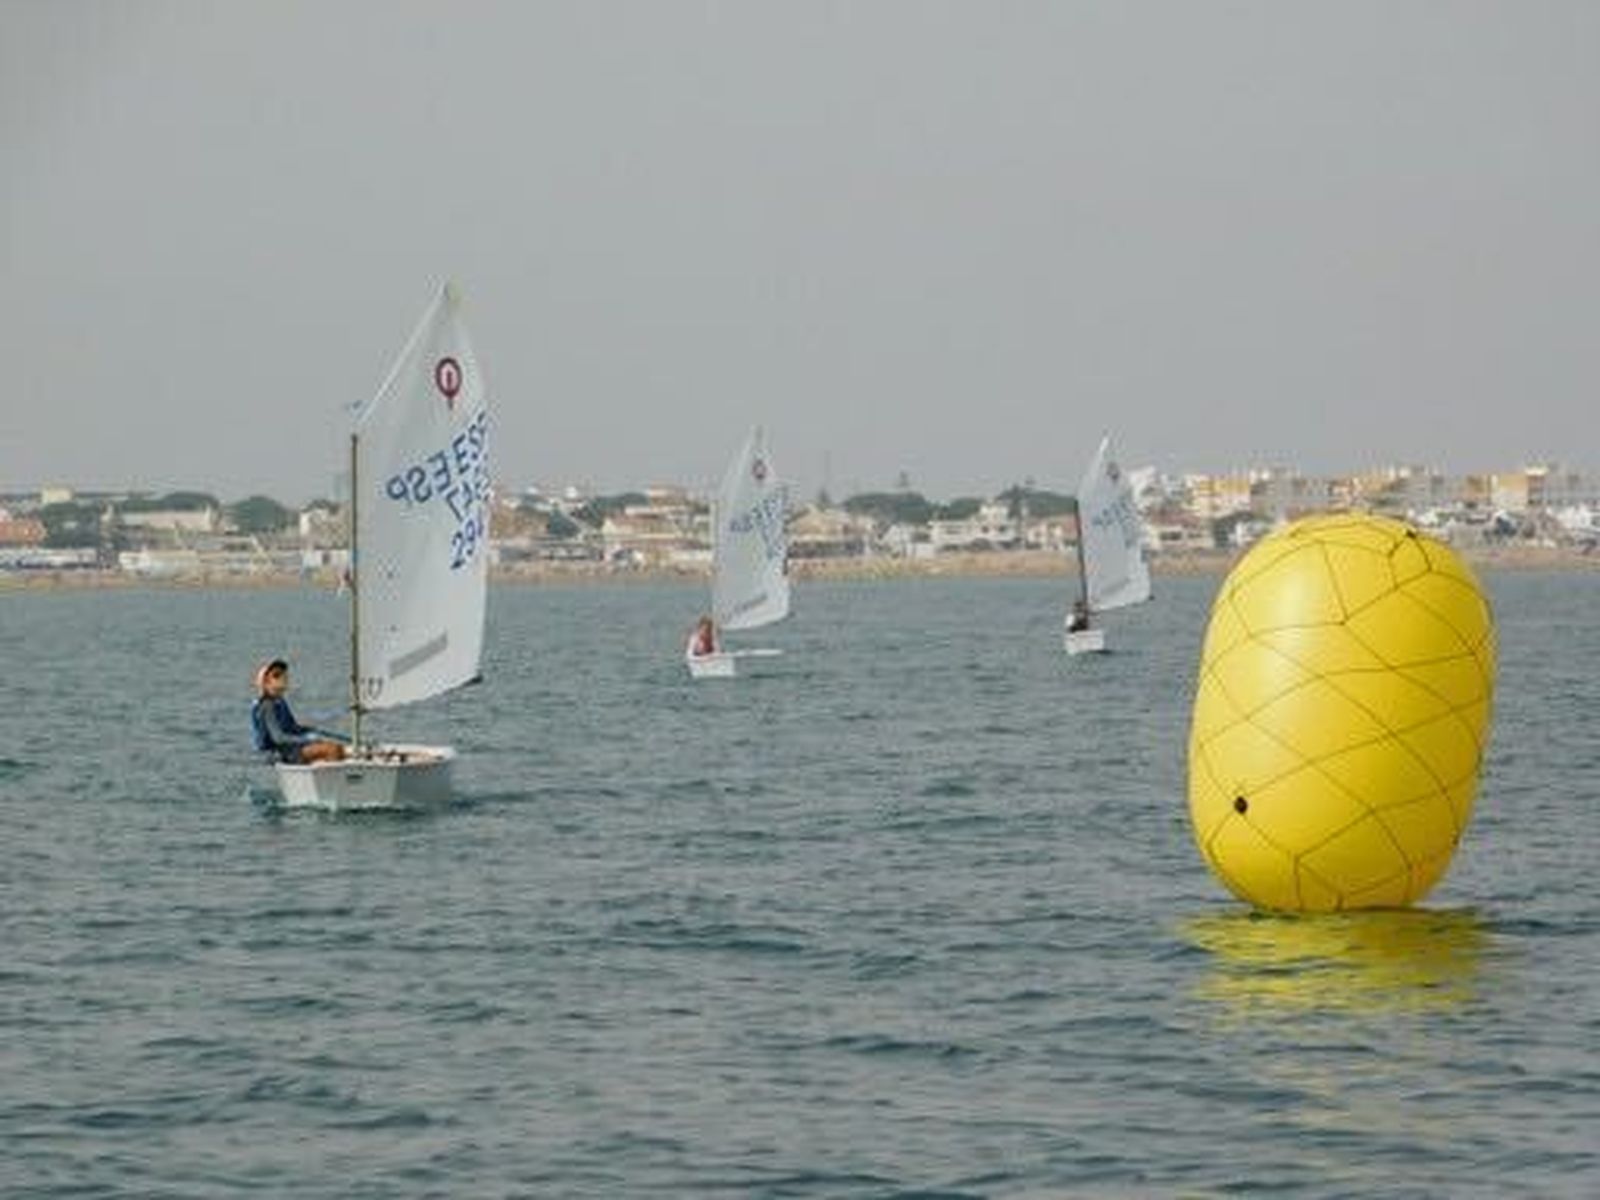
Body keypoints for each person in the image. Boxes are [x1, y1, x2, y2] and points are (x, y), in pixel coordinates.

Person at [250, 659, 347, 764]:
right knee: (332, 750)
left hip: (290, 748)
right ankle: (330, 779)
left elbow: (293, 727)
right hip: (280, 753)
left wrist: (310, 731)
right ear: (266, 682)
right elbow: (278, 738)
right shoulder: (266, 706)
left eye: (284, 675)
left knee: (339, 747)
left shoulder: (280, 701)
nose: (284, 679)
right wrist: (307, 739)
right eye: (277, 676)